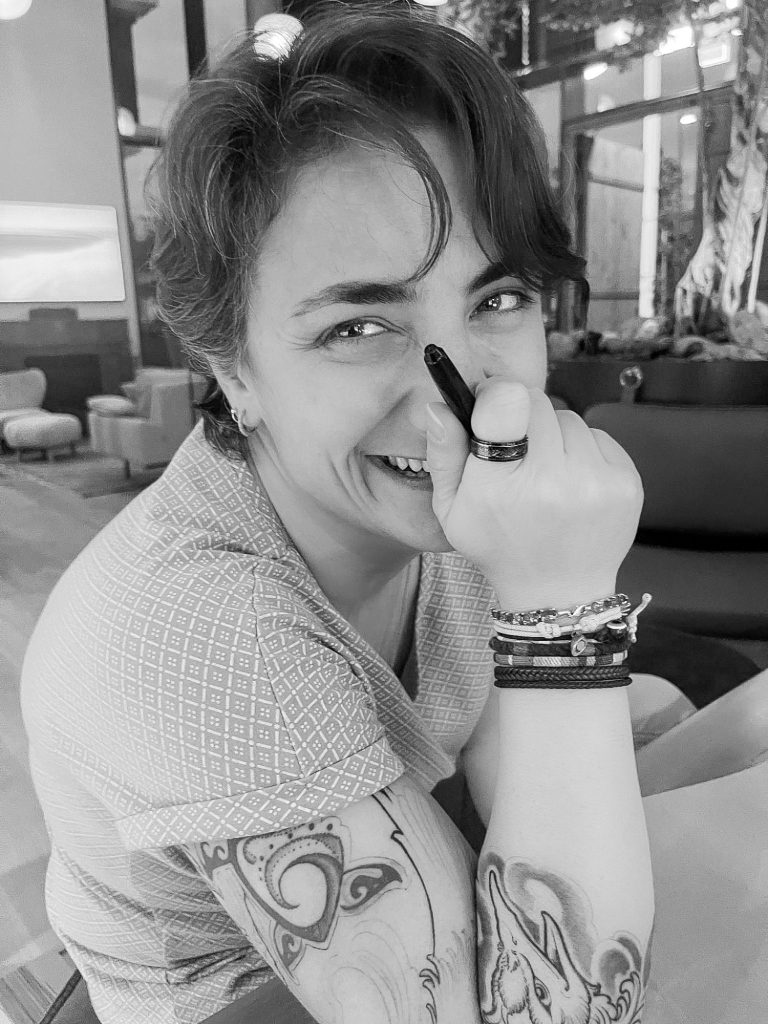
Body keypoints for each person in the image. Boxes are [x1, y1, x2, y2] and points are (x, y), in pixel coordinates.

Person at [19, 7, 766, 1024]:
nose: (463, 402)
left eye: (497, 298)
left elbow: (499, 754)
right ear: (233, 367)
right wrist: (561, 612)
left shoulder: (432, 515)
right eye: (360, 325)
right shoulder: (204, 632)